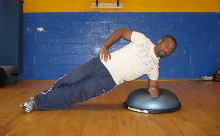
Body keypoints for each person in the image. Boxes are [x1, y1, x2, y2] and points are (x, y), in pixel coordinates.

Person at [20, 28, 177, 113]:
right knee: (69, 79)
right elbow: (121, 31)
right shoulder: (142, 39)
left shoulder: (154, 67)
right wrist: (106, 46)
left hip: (108, 81)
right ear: (160, 41)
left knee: (75, 93)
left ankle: (37, 102)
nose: (167, 50)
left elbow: (153, 85)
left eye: (170, 50)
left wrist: (153, 91)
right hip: (100, 63)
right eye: (167, 45)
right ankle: (45, 95)